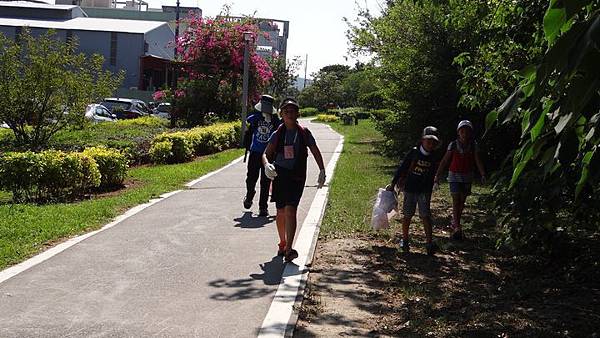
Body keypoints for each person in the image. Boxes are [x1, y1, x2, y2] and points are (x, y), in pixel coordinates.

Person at [262, 98, 326, 262]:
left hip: (297, 176)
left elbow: (314, 150)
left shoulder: (304, 132)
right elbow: (265, 154)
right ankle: (282, 243)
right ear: (281, 114)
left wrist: (322, 170)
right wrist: (267, 165)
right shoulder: (278, 134)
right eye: (286, 111)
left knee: (291, 210)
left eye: (292, 111)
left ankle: (289, 248)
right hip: (280, 175)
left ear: (297, 113)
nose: (289, 114)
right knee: (281, 211)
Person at [386, 126, 440, 256]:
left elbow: (433, 173)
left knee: (425, 216)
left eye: (433, 142)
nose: (430, 144)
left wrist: (434, 183)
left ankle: (429, 243)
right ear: (422, 140)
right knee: (407, 215)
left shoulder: (433, 156)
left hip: (424, 191)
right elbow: (403, 167)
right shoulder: (414, 153)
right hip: (410, 189)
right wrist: (393, 183)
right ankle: (405, 240)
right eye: (428, 141)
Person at [434, 120, 486, 240]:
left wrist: (482, 174)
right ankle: (457, 226)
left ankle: (455, 220)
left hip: (467, 176)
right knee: (456, 199)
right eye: (462, 131)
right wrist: (437, 175)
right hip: (454, 175)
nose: (465, 133)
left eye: (467, 131)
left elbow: (477, 160)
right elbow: (445, 160)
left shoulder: (473, 145)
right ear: (458, 132)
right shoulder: (453, 145)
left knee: (462, 201)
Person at [243, 95, 281, 217]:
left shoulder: (275, 120)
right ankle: (250, 195)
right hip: (255, 152)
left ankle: (263, 207)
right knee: (251, 178)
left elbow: (280, 130)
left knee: (266, 181)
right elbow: (249, 123)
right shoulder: (255, 117)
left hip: (269, 154)